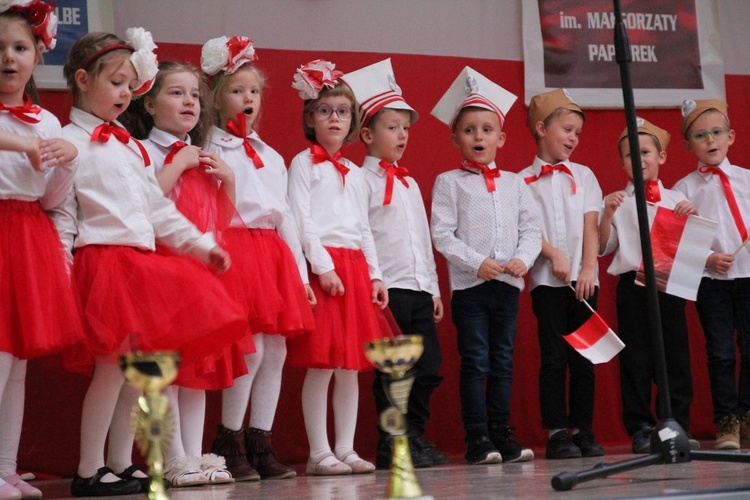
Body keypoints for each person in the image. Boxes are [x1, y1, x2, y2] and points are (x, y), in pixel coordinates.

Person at [53, 28, 248, 497]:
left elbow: (156, 210)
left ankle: (120, 462)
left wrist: (201, 246)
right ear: (82, 80)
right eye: (116, 82)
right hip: (102, 263)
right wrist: (61, 274)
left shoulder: (130, 146)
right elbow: (61, 213)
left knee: (135, 376)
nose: (124, 93)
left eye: (128, 85)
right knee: (110, 371)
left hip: (138, 265)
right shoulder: (69, 142)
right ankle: (88, 467)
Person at [121, 60, 244, 487]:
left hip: (200, 272)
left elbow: (219, 219)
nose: (189, 101)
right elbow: (145, 203)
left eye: (194, 94)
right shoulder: (143, 151)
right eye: (176, 93)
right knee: (167, 369)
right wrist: (178, 164)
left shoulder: (205, 155)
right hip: (161, 272)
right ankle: (171, 456)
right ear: (150, 104)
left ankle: (196, 454)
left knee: (201, 372)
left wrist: (227, 181)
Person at [201, 36, 316, 481]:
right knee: (247, 349)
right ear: (216, 97)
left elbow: (285, 216)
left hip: (272, 255)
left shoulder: (270, 154)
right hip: (235, 251)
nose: (247, 98)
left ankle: (259, 440)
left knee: (275, 350)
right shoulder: (209, 145)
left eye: (254, 91)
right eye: (236, 90)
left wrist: (300, 272)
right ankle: (227, 441)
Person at [286, 59, 394, 476]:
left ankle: (346, 448)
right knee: (323, 363)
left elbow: (364, 228)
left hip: (354, 270)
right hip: (325, 269)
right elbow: (300, 219)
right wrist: (323, 266)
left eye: (343, 111)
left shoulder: (354, 171)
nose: (334, 118)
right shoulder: (302, 164)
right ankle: (319, 452)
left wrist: (376, 274)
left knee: (351, 366)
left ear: (353, 121)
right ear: (310, 118)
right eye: (325, 110)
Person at [430, 67, 540, 465]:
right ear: (455, 137)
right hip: (470, 289)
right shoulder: (449, 182)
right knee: (476, 360)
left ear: (501, 137)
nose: (479, 137)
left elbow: (531, 228)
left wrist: (521, 260)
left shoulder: (515, 183)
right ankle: (477, 437)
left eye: (487, 129)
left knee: (503, 360)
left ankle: (502, 431)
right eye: (470, 130)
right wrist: (479, 264)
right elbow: (442, 235)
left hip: (508, 287)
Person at [341, 58, 447, 469]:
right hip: (388, 290)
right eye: (392, 127)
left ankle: (413, 433)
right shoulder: (359, 179)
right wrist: (373, 278)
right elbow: (361, 233)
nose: (402, 135)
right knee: (393, 371)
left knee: (429, 367)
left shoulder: (409, 181)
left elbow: (421, 238)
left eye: (406, 127)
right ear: (366, 133)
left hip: (418, 289)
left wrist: (434, 288)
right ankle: (392, 441)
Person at [0, 3, 82, 499]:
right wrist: (19, 145)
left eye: (19, 48)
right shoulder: (23, 130)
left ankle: (7, 466)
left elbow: (51, 198)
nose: (8, 58)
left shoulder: (47, 122)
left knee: (18, 361)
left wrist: (68, 160)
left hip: (27, 240)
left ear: (36, 57)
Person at [600, 117, 699, 454]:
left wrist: (692, 217)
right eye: (630, 155)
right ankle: (641, 426)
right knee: (636, 357)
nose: (638, 160)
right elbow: (605, 247)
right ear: (621, 162)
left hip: (670, 283)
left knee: (675, 355)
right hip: (633, 286)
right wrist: (604, 216)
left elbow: (694, 251)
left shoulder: (676, 199)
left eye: (645, 152)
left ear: (662, 158)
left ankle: (677, 423)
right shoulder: (617, 202)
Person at [519, 89, 604, 459]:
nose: (573, 138)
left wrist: (588, 267)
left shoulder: (584, 176)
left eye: (577, 133)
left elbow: (591, 224)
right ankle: (556, 431)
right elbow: (525, 228)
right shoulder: (521, 181)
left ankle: (583, 428)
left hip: (584, 283)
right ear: (541, 128)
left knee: (584, 359)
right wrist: (552, 254)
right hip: (547, 284)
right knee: (553, 357)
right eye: (567, 129)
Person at [673, 99, 750, 450]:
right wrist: (707, 259)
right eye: (701, 135)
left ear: (731, 136)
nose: (711, 140)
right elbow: (676, 241)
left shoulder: (747, 180)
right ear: (689, 145)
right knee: (720, 352)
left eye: (717, 132)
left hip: (749, 277)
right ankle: (727, 421)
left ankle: (747, 415)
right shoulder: (684, 190)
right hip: (711, 283)